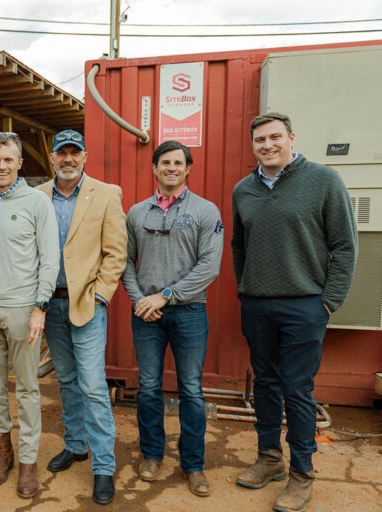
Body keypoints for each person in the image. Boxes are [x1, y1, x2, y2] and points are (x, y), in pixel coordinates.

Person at [232, 112, 357, 512]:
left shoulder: (324, 180)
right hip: (257, 305)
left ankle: (302, 472)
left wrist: (328, 301)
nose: (267, 145)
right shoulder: (243, 190)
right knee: (265, 383)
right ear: (252, 146)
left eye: (274, 137)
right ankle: (269, 458)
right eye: (259, 140)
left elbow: (344, 246)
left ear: (291, 138)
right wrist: (246, 289)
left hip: (305, 305)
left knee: (296, 389)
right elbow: (239, 246)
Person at [120, 140, 223, 497]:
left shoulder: (206, 211)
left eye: (178, 162)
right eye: (165, 162)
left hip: (190, 312)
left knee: (191, 390)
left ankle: (193, 464)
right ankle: (151, 454)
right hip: (146, 315)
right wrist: (140, 301)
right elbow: (125, 264)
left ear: (188, 168)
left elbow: (209, 266)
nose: (171, 168)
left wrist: (164, 296)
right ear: (154, 168)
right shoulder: (136, 212)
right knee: (148, 386)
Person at [37, 129, 128, 505]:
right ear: (53, 158)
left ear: (85, 157)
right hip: (49, 304)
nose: (69, 159)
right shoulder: (37, 196)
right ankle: (76, 445)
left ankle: (103, 466)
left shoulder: (107, 194)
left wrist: (102, 296)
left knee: (92, 384)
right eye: (63, 153)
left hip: (87, 304)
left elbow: (116, 253)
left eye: (75, 152)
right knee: (68, 381)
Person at [0, 132, 58, 498]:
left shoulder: (38, 202)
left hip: (24, 308)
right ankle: (2, 452)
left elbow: (49, 257)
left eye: (9, 159)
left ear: (20, 163)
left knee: (26, 389)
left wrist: (40, 306)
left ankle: (27, 461)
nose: (2, 165)